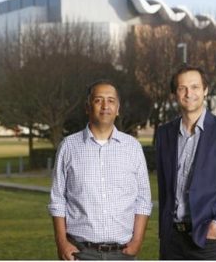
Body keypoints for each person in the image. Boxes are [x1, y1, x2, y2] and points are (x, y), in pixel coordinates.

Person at [156, 66, 216, 260]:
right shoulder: (164, 133)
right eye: (182, 88)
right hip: (172, 241)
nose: (189, 93)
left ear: (205, 90)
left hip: (210, 241)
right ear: (175, 93)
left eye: (195, 87)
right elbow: (164, 188)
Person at [48, 80, 152, 260]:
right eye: (98, 100)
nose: (105, 106)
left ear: (118, 109)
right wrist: (61, 242)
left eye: (111, 101)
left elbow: (143, 199)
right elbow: (57, 199)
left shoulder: (133, 147)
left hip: (122, 253)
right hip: (80, 252)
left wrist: (137, 241)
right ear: (87, 107)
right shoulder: (68, 147)